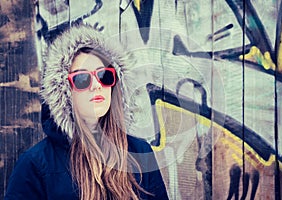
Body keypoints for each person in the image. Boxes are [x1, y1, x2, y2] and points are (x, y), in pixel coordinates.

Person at [5, 24, 169, 200]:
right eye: (82, 79)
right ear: (63, 92)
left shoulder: (140, 153)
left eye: (104, 75)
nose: (97, 85)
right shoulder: (35, 164)